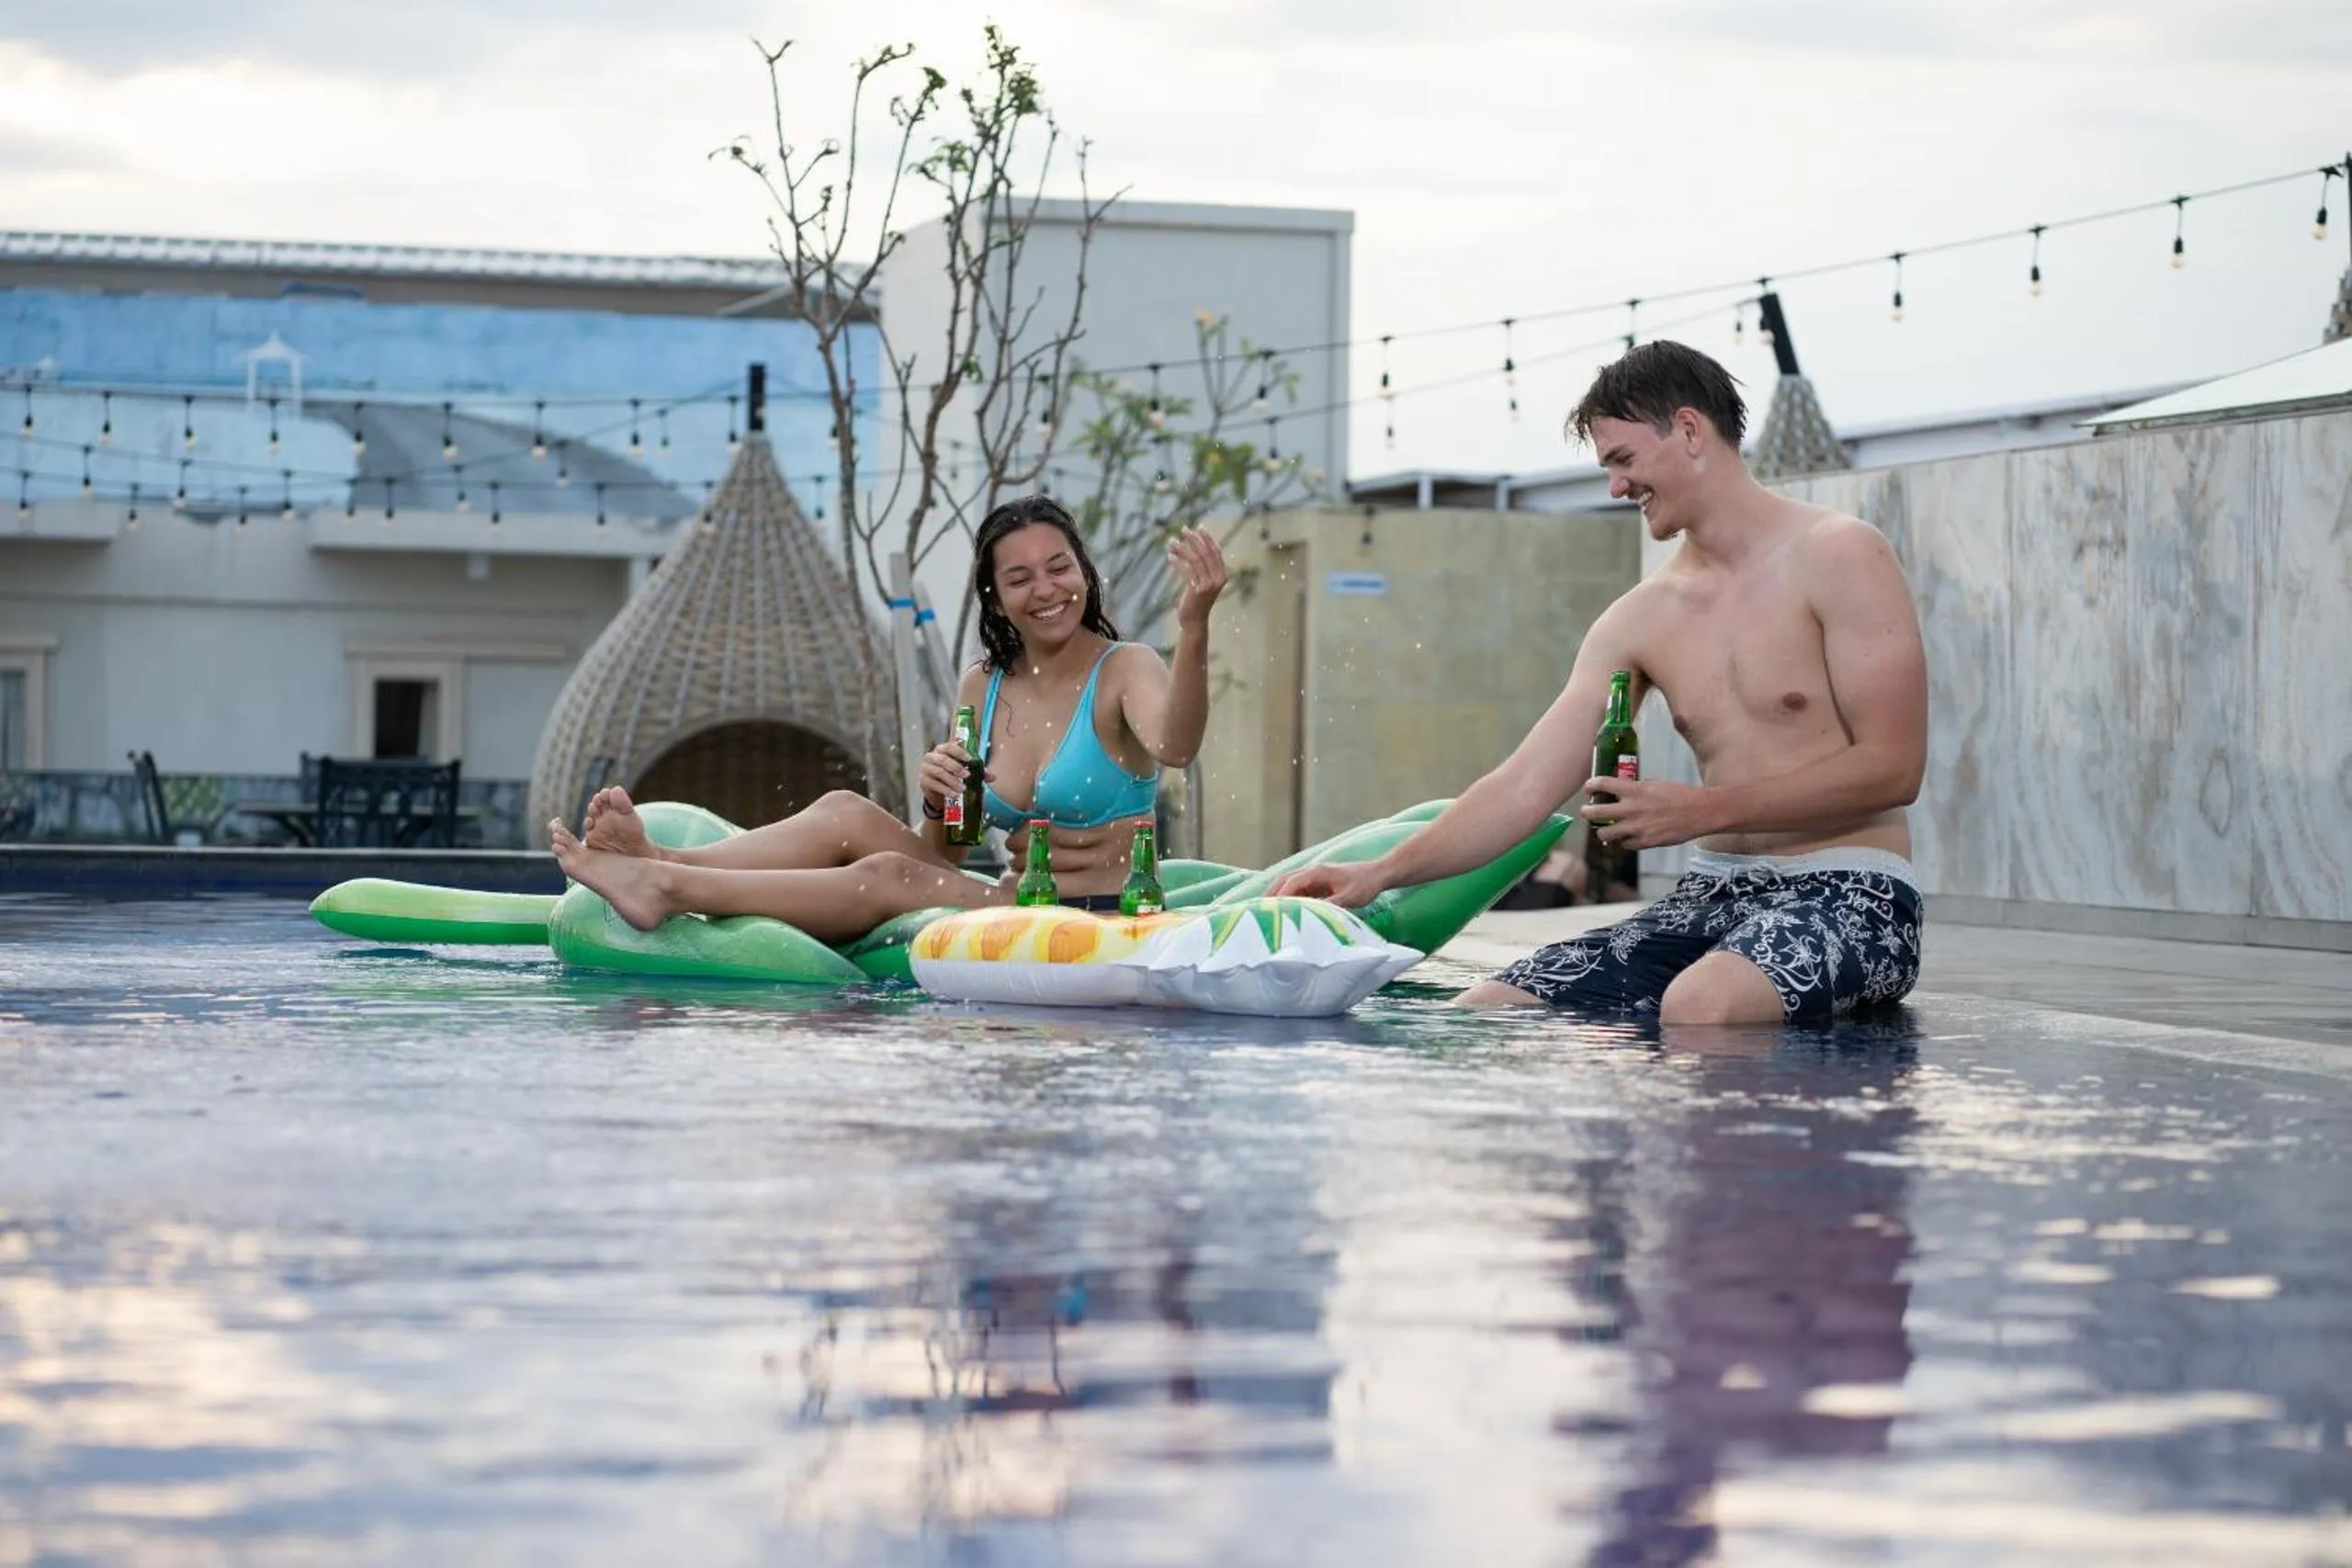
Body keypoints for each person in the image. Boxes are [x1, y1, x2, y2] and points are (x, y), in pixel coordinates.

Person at [1275, 341, 1928, 1025]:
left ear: (1688, 429)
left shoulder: (1841, 554)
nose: (1616, 488)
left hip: (1856, 894)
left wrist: (1701, 810)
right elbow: (1523, 785)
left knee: (1700, 1005)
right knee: (1491, 1006)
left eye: (1623, 459)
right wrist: (1375, 874)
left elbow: (1894, 768)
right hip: (1709, 898)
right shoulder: (1641, 617)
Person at [548, 493, 1227, 942]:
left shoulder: (1125, 666)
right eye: (1020, 579)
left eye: (1059, 568)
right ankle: (661, 858)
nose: (1046, 590)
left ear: (1084, 571)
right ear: (996, 597)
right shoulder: (981, 686)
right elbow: (946, 850)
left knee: (889, 876)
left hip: (1100, 917)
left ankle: (667, 885)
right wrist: (943, 797)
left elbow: (1177, 743)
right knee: (847, 810)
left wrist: (1192, 627)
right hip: (1010, 900)